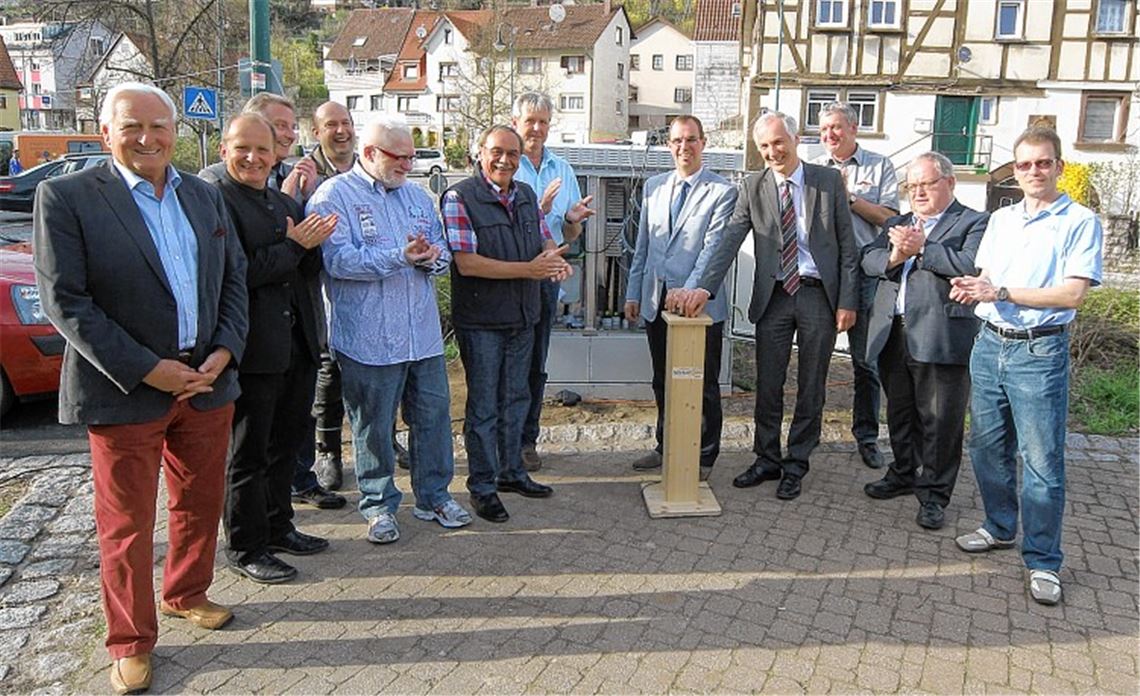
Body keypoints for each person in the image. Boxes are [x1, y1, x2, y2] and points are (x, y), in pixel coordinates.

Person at [33, 82, 248, 695]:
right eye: (132, 127)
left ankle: (186, 592)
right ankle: (129, 641)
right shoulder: (67, 196)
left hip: (206, 382)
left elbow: (232, 281)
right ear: (106, 132)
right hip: (125, 389)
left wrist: (224, 352)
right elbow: (66, 302)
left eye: (159, 126)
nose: (147, 138)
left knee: (199, 503)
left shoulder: (204, 197)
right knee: (126, 525)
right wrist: (150, 369)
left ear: (176, 132)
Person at [949, 126, 1102, 606]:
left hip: (1040, 352)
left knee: (1041, 463)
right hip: (991, 344)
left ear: (1058, 166)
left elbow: (1072, 293)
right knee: (986, 448)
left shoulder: (1080, 221)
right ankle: (999, 526)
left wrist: (1002, 292)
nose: (1033, 171)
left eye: (1042, 163)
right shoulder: (1002, 219)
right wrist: (973, 287)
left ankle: (1043, 561)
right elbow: (989, 275)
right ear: (1014, 170)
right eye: (1024, 164)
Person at [308, 115, 473, 543]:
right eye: (399, 158)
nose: (407, 165)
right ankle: (379, 504)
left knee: (434, 417)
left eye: (411, 157)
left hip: (421, 334)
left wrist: (433, 257)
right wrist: (400, 256)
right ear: (369, 154)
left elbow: (441, 255)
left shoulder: (417, 197)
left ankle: (434, 495)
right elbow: (338, 262)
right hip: (368, 339)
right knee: (373, 425)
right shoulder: (332, 197)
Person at [678, 112, 857, 501]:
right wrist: (703, 288)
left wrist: (847, 301)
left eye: (778, 142)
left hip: (817, 294)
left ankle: (797, 464)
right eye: (764, 146)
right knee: (768, 383)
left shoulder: (826, 182)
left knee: (811, 385)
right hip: (773, 295)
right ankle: (766, 458)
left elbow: (847, 245)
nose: (773, 152)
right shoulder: (752, 185)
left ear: (794, 139)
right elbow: (728, 240)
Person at [198, 94, 344, 511]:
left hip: (296, 345)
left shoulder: (283, 200)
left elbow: (307, 265)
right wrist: (296, 245)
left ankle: (280, 527)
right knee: (248, 455)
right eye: (243, 149)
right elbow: (236, 273)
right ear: (225, 148)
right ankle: (248, 544)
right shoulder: (216, 197)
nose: (253, 158)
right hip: (253, 348)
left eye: (262, 149)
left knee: (285, 448)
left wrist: (315, 241)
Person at [442, 124, 572, 523]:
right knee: (483, 408)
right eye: (497, 151)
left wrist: (553, 257)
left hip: (523, 317)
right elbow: (467, 263)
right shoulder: (459, 197)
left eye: (513, 154)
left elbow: (543, 236)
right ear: (480, 152)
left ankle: (511, 471)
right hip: (482, 321)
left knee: (516, 397)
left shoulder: (527, 194)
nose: (505, 160)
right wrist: (529, 270)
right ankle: (481, 487)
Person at [861, 151, 988, 530]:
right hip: (894, 332)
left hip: (942, 333)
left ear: (949, 183)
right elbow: (867, 260)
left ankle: (933, 494)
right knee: (900, 412)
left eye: (926, 184)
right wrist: (896, 255)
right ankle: (903, 472)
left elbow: (971, 265)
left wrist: (923, 250)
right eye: (912, 185)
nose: (918, 192)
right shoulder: (897, 223)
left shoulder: (974, 222)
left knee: (940, 421)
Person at [624, 115, 737, 481]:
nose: (683, 147)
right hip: (657, 303)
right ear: (668, 145)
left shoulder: (723, 191)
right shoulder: (654, 187)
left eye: (691, 140)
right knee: (663, 379)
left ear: (703, 143)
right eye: (676, 141)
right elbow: (642, 247)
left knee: (701, 384)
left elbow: (712, 249)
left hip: (699, 308)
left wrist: (687, 292)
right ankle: (666, 445)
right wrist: (633, 292)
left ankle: (703, 456)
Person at [510, 91, 595, 472]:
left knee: (535, 363)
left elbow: (570, 237)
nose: (537, 129)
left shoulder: (564, 169)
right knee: (503, 361)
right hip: (506, 277)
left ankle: (527, 440)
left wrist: (572, 220)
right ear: (516, 123)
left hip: (545, 280)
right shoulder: (505, 163)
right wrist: (538, 210)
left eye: (543, 121)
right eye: (530, 121)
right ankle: (502, 440)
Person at [814, 102, 899, 469]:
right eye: (823, 130)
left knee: (867, 361)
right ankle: (807, 433)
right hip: (824, 274)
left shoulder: (880, 166)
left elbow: (890, 219)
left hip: (866, 273)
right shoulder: (814, 170)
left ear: (853, 129)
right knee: (814, 360)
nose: (829, 135)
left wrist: (847, 197)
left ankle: (866, 436)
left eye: (836, 128)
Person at [306, 101, 359, 491]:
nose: (340, 131)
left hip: (368, 292)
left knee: (377, 373)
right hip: (321, 293)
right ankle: (327, 451)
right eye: (331, 125)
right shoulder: (306, 174)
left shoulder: (366, 165)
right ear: (316, 132)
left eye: (346, 123)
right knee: (329, 372)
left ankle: (383, 439)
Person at [199, 92, 318, 202]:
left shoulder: (299, 176)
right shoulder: (212, 179)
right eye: (281, 126)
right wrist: (283, 201)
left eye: (293, 127)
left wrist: (307, 196)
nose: (291, 135)